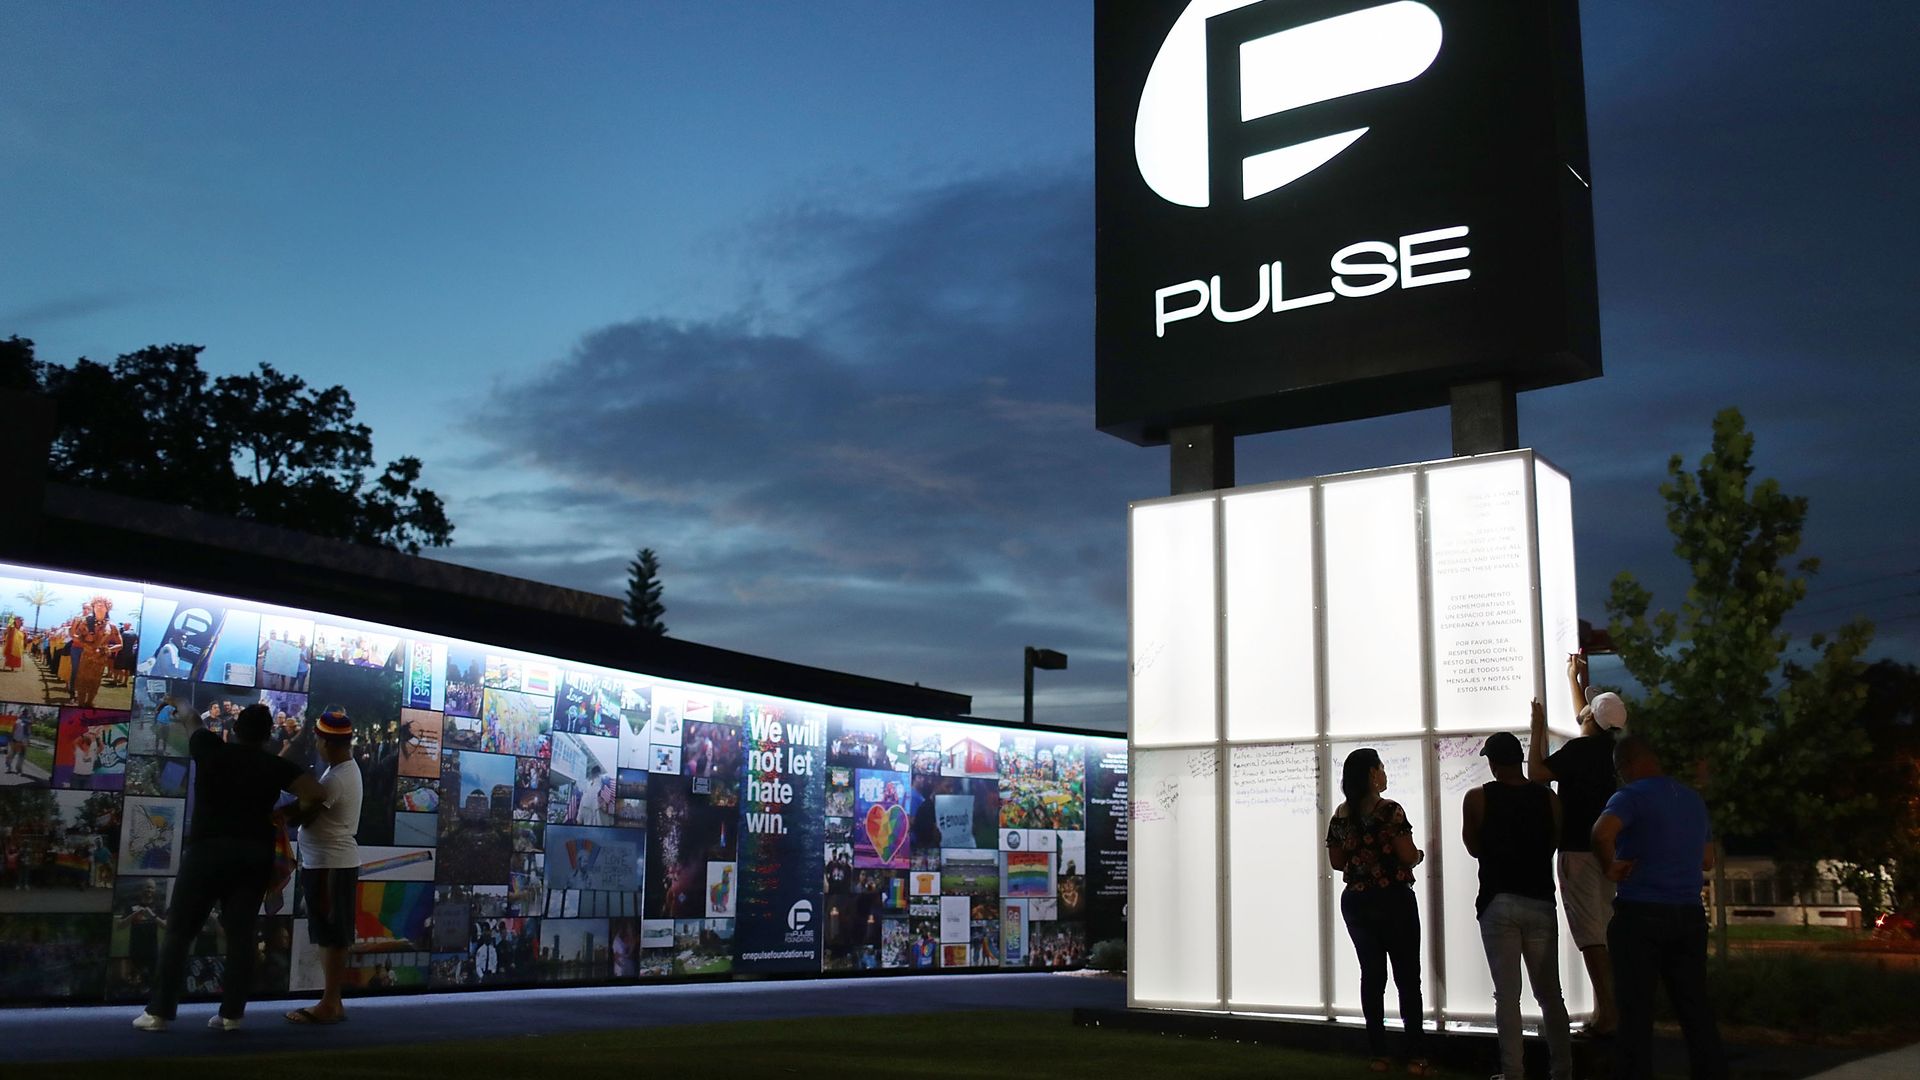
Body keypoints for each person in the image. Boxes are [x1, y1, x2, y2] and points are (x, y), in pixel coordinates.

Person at [132, 702, 325, 1032]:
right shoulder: (273, 765)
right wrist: (288, 814)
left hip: (207, 850)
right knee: (240, 936)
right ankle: (231, 1015)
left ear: (235, 729)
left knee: (179, 932)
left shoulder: (210, 750)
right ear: (268, 736)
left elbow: (191, 718)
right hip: (253, 854)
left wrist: (175, 701)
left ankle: (159, 1013)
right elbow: (316, 793)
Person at [1592, 735, 1727, 1080]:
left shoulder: (1630, 796)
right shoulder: (1693, 800)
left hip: (1640, 914)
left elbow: (1601, 833)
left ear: (1626, 766)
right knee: (1695, 1009)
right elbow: (1708, 860)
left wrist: (1610, 866)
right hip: (1689, 916)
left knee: (1636, 1013)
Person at [1464, 721, 1572, 1080]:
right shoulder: (1550, 799)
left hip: (1497, 899)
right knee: (1550, 994)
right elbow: (1554, 841)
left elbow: (1474, 847)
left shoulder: (1478, 797)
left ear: (1493, 763)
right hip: (1540, 899)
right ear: (1520, 760)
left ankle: (1513, 1071)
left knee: (1507, 995)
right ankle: (1562, 1069)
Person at [1529, 652, 1625, 1035]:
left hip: (1578, 851)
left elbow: (1537, 773)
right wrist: (1574, 677)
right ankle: (1613, 1009)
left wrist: (1536, 729)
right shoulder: (1610, 751)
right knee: (1606, 929)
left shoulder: (1578, 752)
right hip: (1610, 852)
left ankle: (1609, 1015)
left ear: (1590, 719)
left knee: (1590, 936)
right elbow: (1585, 716)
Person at [1326, 747, 1431, 1076]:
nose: (1385, 773)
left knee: (1372, 977)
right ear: (1372, 774)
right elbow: (1406, 854)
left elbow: (1337, 862)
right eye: (1381, 768)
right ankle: (1415, 1057)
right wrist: (1419, 856)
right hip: (1394, 899)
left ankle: (1378, 1054)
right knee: (1407, 979)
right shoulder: (1390, 811)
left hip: (1356, 902)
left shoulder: (1341, 816)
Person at [287, 705, 362, 1025]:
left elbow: (303, 813)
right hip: (324, 864)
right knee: (326, 933)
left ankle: (330, 1002)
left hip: (331, 865)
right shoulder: (340, 771)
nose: (316, 745)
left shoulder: (336, 780)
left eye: (318, 740)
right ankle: (331, 1001)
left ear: (327, 743)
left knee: (332, 934)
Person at [67, 597, 123, 708]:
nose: (99, 606)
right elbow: (75, 637)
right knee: (82, 681)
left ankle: (89, 703)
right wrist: (84, 643)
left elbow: (120, 645)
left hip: (100, 659)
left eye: (102, 605)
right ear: (93, 607)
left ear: (108, 608)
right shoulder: (85, 622)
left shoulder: (112, 626)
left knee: (95, 682)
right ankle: (81, 703)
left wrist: (108, 649)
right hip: (86, 656)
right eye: (97, 604)